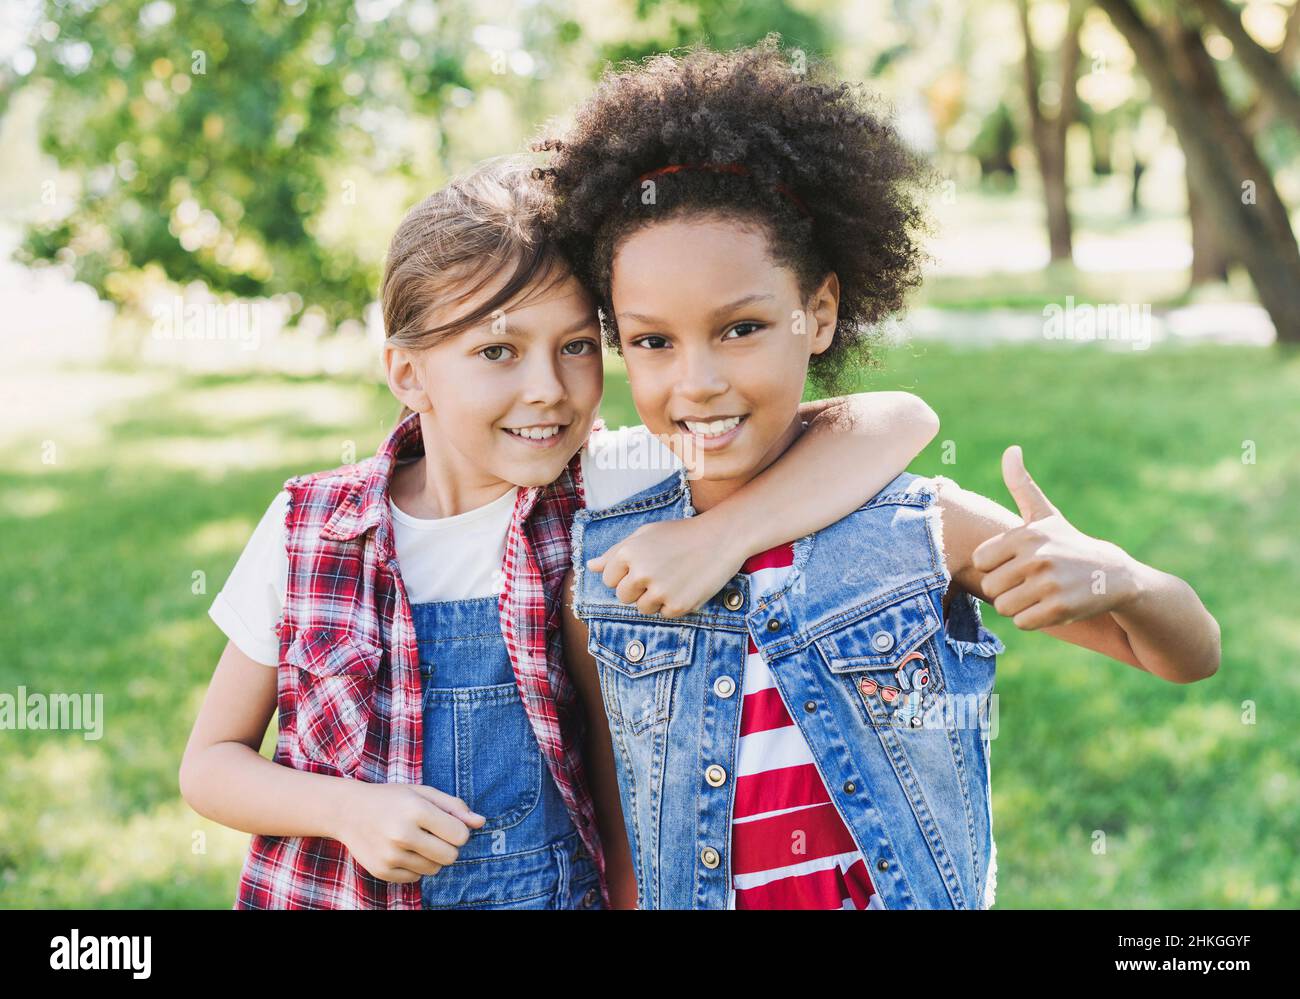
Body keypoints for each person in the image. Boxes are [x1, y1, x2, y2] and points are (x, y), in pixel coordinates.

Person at [543, 38, 1221, 909]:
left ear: (818, 312)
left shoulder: (917, 530)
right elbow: (624, 835)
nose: (697, 380)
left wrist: (1120, 578)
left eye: (742, 328)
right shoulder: (607, 569)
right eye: (652, 341)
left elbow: (1188, 653)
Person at [178, 155, 942, 908]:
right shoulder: (311, 530)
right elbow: (211, 764)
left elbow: (895, 422)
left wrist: (724, 535)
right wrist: (347, 811)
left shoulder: (609, 485)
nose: (546, 389)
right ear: (409, 373)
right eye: (497, 352)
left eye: (576, 346)